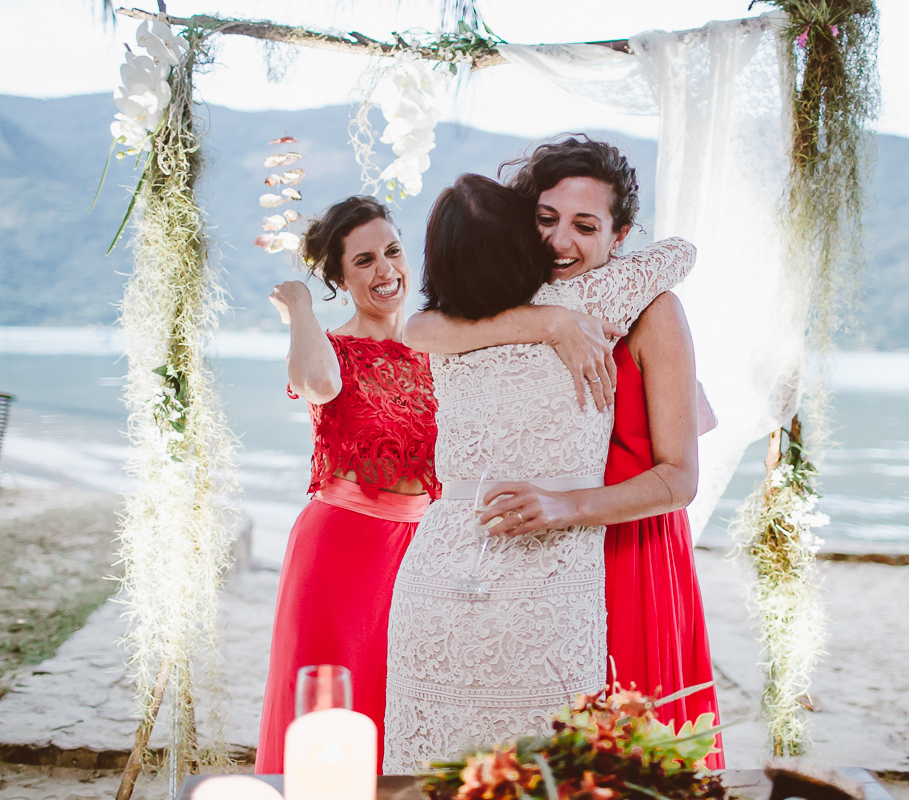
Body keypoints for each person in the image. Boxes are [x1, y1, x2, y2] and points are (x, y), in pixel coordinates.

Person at [403, 137, 723, 768]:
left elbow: (680, 477)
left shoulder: (653, 311)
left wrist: (563, 503)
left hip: (629, 537)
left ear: (619, 233)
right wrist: (546, 322)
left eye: (585, 226)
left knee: (621, 750)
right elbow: (420, 327)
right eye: (545, 220)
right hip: (543, 556)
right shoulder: (515, 299)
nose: (560, 242)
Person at [255, 196, 439, 775]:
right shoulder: (329, 349)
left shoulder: (441, 345)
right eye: (363, 261)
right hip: (340, 548)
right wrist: (301, 307)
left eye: (392, 251)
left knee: (407, 705)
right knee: (328, 708)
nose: (385, 270)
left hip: (421, 553)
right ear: (339, 276)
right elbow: (315, 381)